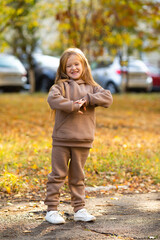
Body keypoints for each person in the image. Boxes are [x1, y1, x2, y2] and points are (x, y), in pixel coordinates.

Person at [44, 48, 113, 224]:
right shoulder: (60, 86)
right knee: (57, 175)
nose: (73, 68)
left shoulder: (93, 87)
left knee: (78, 177)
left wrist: (88, 100)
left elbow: (107, 98)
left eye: (77, 64)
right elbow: (53, 101)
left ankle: (79, 209)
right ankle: (52, 210)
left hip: (83, 140)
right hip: (62, 139)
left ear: (83, 66)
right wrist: (73, 105)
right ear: (63, 69)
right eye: (69, 66)